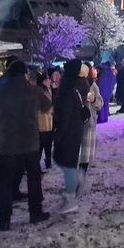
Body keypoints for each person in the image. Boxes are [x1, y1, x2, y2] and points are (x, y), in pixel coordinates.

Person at [0, 60, 51, 230]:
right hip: (30, 143)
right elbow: (47, 106)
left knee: (4, 181)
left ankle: (4, 219)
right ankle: (35, 212)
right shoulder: (32, 90)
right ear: (24, 74)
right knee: (33, 179)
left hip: (7, 144)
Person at [52, 58, 89, 214]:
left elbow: (65, 114)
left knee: (67, 164)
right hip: (76, 129)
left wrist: (58, 134)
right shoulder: (80, 85)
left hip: (68, 130)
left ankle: (71, 197)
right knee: (67, 163)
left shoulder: (68, 89)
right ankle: (76, 180)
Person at [77, 70, 102, 199]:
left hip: (89, 124)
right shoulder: (74, 86)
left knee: (85, 156)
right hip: (76, 124)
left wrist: (93, 101)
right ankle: (76, 181)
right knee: (77, 155)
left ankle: (80, 180)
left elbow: (99, 104)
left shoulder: (93, 86)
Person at [37, 72, 54, 169]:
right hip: (42, 123)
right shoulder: (40, 92)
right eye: (48, 80)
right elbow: (44, 108)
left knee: (47, 143)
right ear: (43, 81)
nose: (50, 81)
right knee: (42, 144)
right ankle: (37, 164)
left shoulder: (47, 90)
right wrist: (51, 108)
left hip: (47, 122)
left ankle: (48, 161)